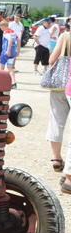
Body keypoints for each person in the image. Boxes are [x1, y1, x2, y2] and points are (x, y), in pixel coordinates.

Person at [47, 29, 71, 176]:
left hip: (60, 83)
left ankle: (56, 158)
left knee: (56, 120)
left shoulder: (65, 36)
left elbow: (51, 60)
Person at [0, 21, 17, 87]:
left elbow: (10, 40)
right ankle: (13, 83)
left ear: (3, 26)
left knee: (1, 67)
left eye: (1, 28)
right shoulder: (13, 31)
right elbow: (17, 40)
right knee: (10, 68)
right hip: (13, 52)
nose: (1, 29)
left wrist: (8, 50)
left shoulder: (6, 32)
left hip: (6, 51)